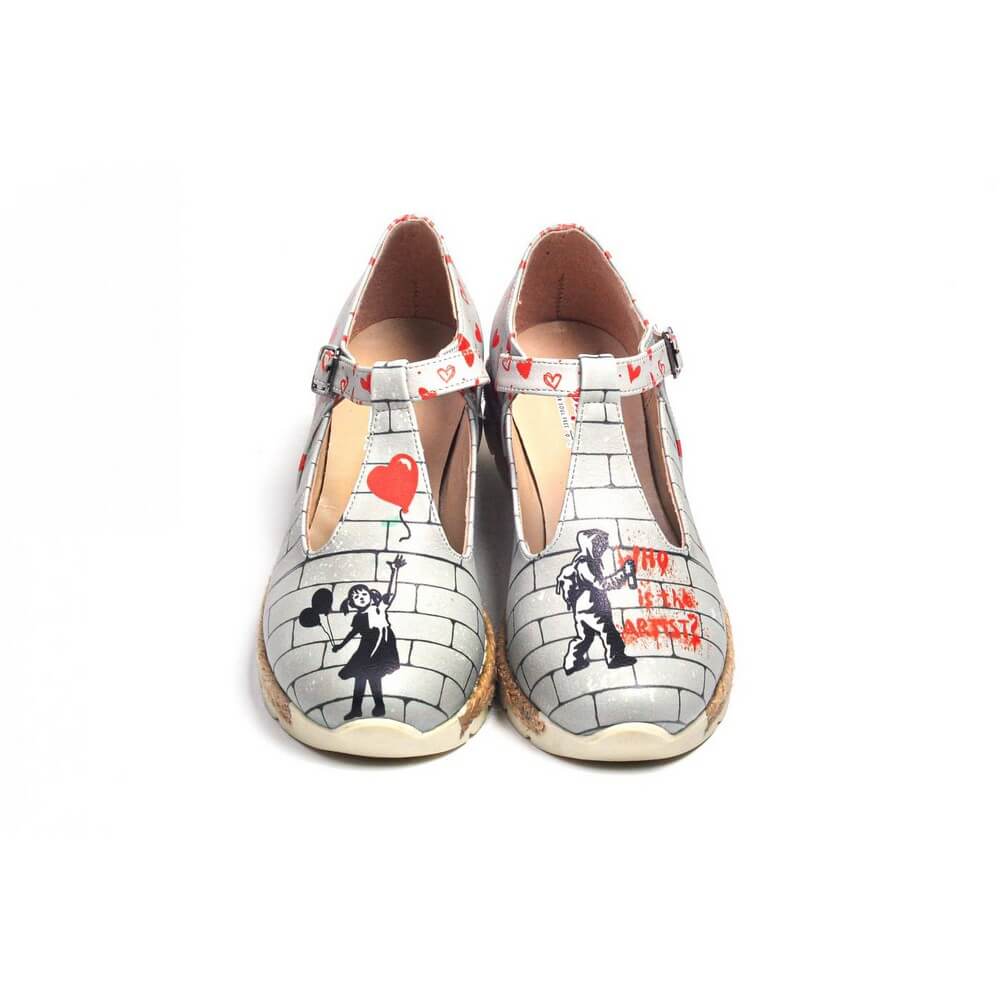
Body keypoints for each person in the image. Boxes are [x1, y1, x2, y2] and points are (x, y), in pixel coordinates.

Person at [334, 555, 406, 719]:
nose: (361, 598)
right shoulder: (358, 617)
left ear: (370, 595)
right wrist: (340, 645)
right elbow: (353, 633)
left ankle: (379, 706)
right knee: (360, 676)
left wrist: (394, 572)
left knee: (374, 676)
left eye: (363, 594)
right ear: (352, 603)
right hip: (366, 647)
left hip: (382, 644)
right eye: (356, 597)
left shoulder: (379, 607)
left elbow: (391, 593)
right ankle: (356, 709)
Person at [555, 530, 637, 674]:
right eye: (598, 545)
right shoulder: (584, 564)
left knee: (585, 637)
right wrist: (623, 573)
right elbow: (601, 584)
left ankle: (572, 662)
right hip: (592, 608)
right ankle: (615, 657)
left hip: (582, 609)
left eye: (603, 545)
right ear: (589, 545)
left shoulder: (586, 562)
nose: (602, 549)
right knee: (609, 632)